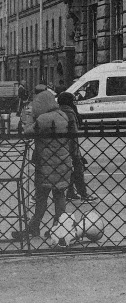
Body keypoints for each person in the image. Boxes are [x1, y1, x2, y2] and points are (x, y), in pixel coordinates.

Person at [12, 90, 73, 240]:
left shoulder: (44, 119)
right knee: (59, 195)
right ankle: (57, 227)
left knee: (41, 197)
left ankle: (33, 227)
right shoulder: (62, 115)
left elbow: (28, 132)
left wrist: (31, 117)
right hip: (63, 163)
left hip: (46, 164)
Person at [56, 92, 98, 203]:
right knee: (78, 168)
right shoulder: (70, 113)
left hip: (60, 147)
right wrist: (76, 153)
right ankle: (83, 193)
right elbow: (74, 134)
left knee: (67, 170)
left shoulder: (57, 112)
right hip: (71, 147)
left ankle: (70, 193)